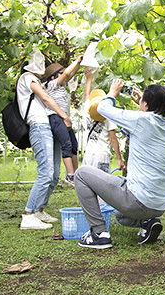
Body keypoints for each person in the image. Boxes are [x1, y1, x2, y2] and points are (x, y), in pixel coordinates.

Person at [74, 80, 165, 248]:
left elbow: (102, 109)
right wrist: (143, 108)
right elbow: (146, 123)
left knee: (81, 174)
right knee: (121, 216)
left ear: (147, 104)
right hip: (159, 205)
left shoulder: (141, 120)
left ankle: (98, 234)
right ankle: (148, 223)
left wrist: (112, 93)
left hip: (137, 201)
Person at [17, 48, 71, 230]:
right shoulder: (27, 78)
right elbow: (46, 98)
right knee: (46, 173)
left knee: (54, 174)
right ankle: (29, 215)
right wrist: (64, 116)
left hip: (47, 128)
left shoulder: (36, 80)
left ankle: (40, 209)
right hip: (39, 127)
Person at [43, 56, 83, 186]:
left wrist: (79, 63)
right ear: (53, 77)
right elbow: (67, 73)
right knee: (66, 144)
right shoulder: (52, 85)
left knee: (74, 145)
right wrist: (76, 61)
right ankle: (70, 175)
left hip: (62, 118)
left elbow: (69, 74)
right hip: (55, 117)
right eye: (60, 74)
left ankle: (76, 173)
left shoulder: (61, 86)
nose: (64, 76)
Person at [82, 68, 124, 174]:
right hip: (102, 155)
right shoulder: (108, 115)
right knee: (101, 185)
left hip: (88, 154)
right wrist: (119, 159)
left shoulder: (87, 111)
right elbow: (113, 138)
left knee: (88, 182)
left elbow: (86, 95)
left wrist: (89, 79)